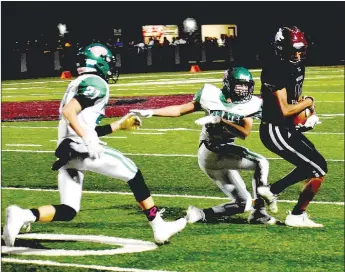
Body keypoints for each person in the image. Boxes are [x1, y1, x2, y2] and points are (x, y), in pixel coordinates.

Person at [3, 43, 186, 247]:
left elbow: (84, 124)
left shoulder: (79, 82)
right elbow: (70, 112)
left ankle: (22, 215)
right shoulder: (96, 82)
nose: (110, 67)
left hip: (68, 151)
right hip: (82, 148)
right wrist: (88, 139)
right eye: (108, 62)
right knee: (134, 174)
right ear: (99, 62)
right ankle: (159, 227)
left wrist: (119, 125)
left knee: (68, 210)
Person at [131, 67, 277, 225]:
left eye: (246, 86)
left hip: (219, 155)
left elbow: (244, 132)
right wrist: (152, 111)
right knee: (261, 163)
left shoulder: (251, 104)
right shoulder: (210, 95)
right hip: (210, 151)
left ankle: (200, 214)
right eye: (239, 86)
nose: (243, 90)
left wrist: (220, 120)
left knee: (243, 203)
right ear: (228, 84)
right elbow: (180, 109)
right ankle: (259, 212)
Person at [257, 26, 327, 227]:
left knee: (314, 166)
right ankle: (292, 212)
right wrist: (309, 102)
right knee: (318, 167)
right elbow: (285, 110)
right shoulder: (274, 68)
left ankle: (275, 194)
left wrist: (307, 116)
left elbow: (295, 101)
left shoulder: (297, 65)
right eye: (292, 50)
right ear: (280, 48)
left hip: (286, 128)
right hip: (275, 129)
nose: (297, 54)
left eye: (299, 49)